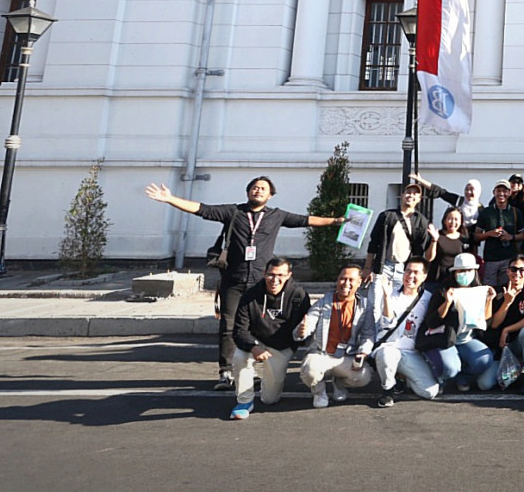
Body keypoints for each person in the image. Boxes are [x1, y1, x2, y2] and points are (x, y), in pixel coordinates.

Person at [144, 177, 345, 390]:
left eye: (263, 189)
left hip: (262, 283)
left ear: (270, 195)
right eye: (255, 187)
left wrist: (336, 221)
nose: (258, 191)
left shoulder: (277, 216)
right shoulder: (233, 212)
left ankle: (252, 370)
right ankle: (226, 372)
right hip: (234, 280)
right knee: (228, 326)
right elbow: (202, 209)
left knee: (261, 325)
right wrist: (170, 199)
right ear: (248, 191)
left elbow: (306, 220)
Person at [229, 256, 311, 419]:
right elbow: (239, 330)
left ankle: (266, 379)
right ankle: (244, 401)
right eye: (271, 275)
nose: (275, 280)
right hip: (256, 341)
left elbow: (302, 333)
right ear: (265, 274)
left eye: (280, 275)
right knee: (239, 357)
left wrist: (302, 333)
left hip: (281, 345)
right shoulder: (251, 294)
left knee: (270, 399)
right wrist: (253, 346)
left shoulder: (298, 295)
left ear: (289, 275)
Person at [296, 264, 375, 408]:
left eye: (351, 280)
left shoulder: (365, 305)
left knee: (364, 376)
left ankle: (339, 383)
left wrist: (363, 352)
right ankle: (319, 392)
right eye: (342, 279)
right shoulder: (323, 301)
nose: (346, 283)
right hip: (322, 354)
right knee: (310, 371)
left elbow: (368, 333)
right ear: (337, 280)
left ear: (359, 282)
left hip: (346, 355)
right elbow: (308, 323)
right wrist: (302, 331)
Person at [372, 258, 441, 406]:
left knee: (429, 392)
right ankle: (388, 390)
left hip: (411, 351)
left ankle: (403, 377)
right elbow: (387, 324)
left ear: (424, 276)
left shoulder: (428, 298)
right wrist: (386, 296)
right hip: (389, 347)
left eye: (416, 272)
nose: (410, 276)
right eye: (408, 271)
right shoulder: (391, 295)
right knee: (387, 355)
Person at [364, 182, 435, 325]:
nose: (411, 196)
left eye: (415, 194)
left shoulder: (421, 221)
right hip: (384, 267)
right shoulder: (387, 216)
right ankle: (373, 339)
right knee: (376, 306)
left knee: (398, 305)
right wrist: (367, 267)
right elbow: (374, 243)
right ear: (401, 195)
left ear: (419, 199)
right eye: (408, 192)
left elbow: (426, 255)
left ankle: (391, 335)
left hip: (405, 270)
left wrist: (434, 240)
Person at [430, 253, 499, 393]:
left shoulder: (478, 291)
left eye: (469, 270)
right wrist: (447, 303)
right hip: (446, 339)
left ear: (475, 272)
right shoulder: (444, 291)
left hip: (466, 340)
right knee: (449, 368)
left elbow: (486, 321)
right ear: (454, 273)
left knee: (484, 359)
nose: (465, 274)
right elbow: (432, 321)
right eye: (461, 271)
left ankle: (463, 377)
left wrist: (489, 300)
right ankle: (441, 378)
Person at [487, 255, 524, 393]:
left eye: (522, 270)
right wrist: (507, 302)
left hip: (520, 344)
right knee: (484, 384)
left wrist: (507, 330)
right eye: (514, 269)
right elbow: (494, 324)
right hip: (503, 346)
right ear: (507, 271)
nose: (517, 273)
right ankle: (513, 374)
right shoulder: (499, 291)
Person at [476, 179, 524, 289]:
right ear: (494, 192)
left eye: (504, 191)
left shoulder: (515, 212)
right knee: (489, 290)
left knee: (506, 289)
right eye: (498, 190)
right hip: (490, 259)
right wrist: (489, 233)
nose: (501, 194)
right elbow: (476, 236)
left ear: (509, 193)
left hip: (509, 258)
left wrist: (510, 237)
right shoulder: (486, 212)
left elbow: (523, 235)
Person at [430, 208, 473, 284]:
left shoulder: (464, 239)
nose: (453, 222)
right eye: (450, 219)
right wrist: (434, 240)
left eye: (456, 219)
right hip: (438, 277)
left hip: (457, 278)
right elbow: (429, 258)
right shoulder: (437, 235)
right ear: (444, 220)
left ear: (461, 222)